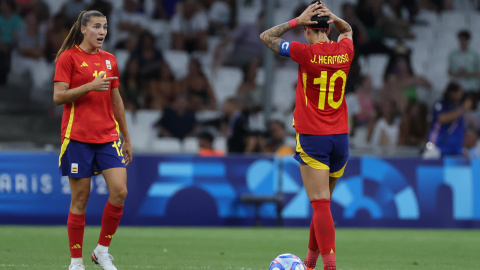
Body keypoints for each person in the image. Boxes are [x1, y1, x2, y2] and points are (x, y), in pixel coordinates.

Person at [260, 1, 354, 269]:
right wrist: (332, 16)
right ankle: (310, 263)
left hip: (314, 137)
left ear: (308, 30)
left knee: (320, 204)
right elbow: (347, 30)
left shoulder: (305, 53)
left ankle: (330, 266)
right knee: (322, 204)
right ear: (326, 28)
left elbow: (266, 37)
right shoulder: (345, 50)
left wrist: (296, 21)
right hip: (340, 139)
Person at [52, 10, 132, 270]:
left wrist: (126, 138)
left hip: (108, 136)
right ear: (83, 29)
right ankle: (76, 262)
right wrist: (89, 86)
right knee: (80, 199)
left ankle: (101, 251)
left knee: (120, 191)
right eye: (97, 27)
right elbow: (58, 97)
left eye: (105, 27)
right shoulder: (68, 58)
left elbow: (116, 100)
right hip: (77, 138)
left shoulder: (110, 60)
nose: (102, 32)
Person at [426, 81, 472, 156]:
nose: (460, 95)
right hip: (438, 148)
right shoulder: (440, 105)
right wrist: (463, 109)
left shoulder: (459, 107)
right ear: (451, 93)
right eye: (458, 92)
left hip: (456, 149)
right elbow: (442, 119)